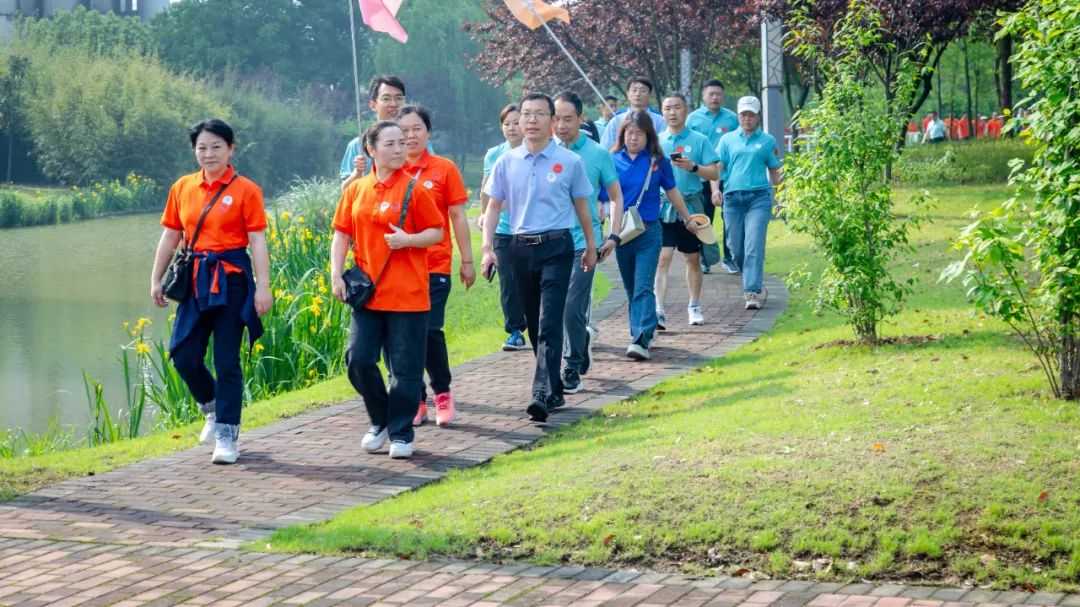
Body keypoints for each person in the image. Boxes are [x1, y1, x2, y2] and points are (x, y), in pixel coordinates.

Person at [150, 119, 272, 465]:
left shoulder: (247, 190)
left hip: (232, 282)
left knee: (227, 360)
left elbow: (257, 241)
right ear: (194, 150)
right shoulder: (182, 187)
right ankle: (212, 405)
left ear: (230, 149)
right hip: (194, 279)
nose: (209, 154)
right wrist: (156, 278)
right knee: (183, 355)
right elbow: (171, 236)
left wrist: (263, 287)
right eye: (202, 147)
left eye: (217, 146)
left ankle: (227, 435)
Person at [480, 92, 597, 422]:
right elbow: (493, 207)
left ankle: (541, 393)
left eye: (539, 114)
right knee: (534, 323)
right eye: (526, 114)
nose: (531, 120)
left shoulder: (570, 162)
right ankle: (554, 386)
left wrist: (590, 247)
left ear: (552, 121)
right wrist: (487, 248)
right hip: (519, 249)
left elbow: (583, 207)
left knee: (549, 322)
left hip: (558, 247)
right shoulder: (506, 162)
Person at [330, 121, 444, 459]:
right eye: (390, 144)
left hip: (408, 296)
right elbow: (341, 234)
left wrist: (408, 239)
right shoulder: (356, 190)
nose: (399, 149)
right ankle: (380, 418)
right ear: (371, 149)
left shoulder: (414, 189)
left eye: (402, 143)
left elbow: (436, 232)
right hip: (368, 295)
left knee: (406, 369)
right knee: (358, 359)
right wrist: (336, 274)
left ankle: (401, 432)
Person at [395, 105, 474, 428]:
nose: (410, 136)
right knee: (403, 336)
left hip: (434, 265)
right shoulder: (389, 170)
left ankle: (442, 392)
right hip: (398, 269)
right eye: (404, 131)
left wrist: (467, 261)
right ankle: (415, 399)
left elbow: (458, 217)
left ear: (428, 132)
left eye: (417, 129)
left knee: (428, 331)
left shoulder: (444, 169)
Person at [610, 110, 698, 361]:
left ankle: (641, 337)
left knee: (643, 286)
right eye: (629, 133)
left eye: (639, 134)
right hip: (621, 234)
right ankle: (639, 330)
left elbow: (672, 191)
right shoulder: (612, 160)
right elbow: (604, 198)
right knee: (631, 288)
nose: (633, 138)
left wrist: (687, 217)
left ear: (649, 136)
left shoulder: (657, 161)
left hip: (649, 231)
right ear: (622, 134)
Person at [553, 91, 624, 395]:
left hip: (585, 241)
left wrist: (614, 236)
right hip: (550, 242)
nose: (561, 125)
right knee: (554, 309)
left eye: (568, 119)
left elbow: (616, 196)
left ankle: (571, 365)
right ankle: (580, 338)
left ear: (581, 118)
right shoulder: (545, 152)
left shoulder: (598, 154)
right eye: (556, 119)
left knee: (572, 305)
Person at [656, 93, 720, 329]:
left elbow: (714, 173)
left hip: (692, 207)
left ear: (686, 110)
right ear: (662, 112)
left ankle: (694, 305)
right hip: (663, 208)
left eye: (677, 107)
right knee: (663, 258)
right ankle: (658, 309)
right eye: (667, 108)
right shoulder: (656, 141)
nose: (672, 112)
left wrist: (693, 167)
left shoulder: (699, 140)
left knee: (691, 258)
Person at [712, 96, 782, 311]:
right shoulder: (727, 140)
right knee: (735, 249)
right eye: (743, 114)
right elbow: (717, 168)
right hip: (732, 199)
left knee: (753, 244)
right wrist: (715, 189)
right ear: (738, 116)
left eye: (751, 114)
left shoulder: (767, 141)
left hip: (758, 199)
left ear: (758, 116)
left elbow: (775, 170)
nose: (747, 118)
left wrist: (781, 197)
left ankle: (751, 291)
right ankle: (749, 275)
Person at [479, 105, 529, 352]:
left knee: (530, 279)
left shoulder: (535, 151)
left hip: (530, 228)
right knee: (508, 281)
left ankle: (541, 323)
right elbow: (486, 189)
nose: (511, 128)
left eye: (516, 122)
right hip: (503, 228)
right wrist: (484, 215)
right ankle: (515, 331)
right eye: (506, 123)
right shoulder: (494, 154)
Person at [687, 79, 740, 275]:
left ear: (723, 96)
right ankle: (704, 259)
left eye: (718, 94)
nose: (715, 97)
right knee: (703, 219)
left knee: (730, 219)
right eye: (711, 94)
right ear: (703, 96)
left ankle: (730, 258)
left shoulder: (732, 118)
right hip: (702, 178)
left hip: (728, 177)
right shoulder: (693, 119)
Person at [340, 75, 412, 190]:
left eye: (398, 98)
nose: (393, 104)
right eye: (386, 99)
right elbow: (346, 191)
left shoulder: (415, 140)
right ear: (373, 105)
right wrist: (357, 173)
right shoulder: (357, 146)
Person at [599, 77, 666, 150]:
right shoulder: (616, 121)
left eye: (643, 91)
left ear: (649, 95)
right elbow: (605, 149)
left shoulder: (659, 120)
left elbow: (663, 147)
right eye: (634, 90)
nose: (638, 94)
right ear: (627, 94)